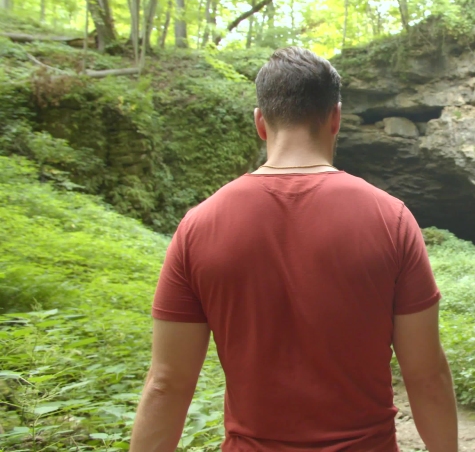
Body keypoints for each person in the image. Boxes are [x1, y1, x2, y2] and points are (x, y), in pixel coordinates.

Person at [130, 47, 458, 452]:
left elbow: (166, 385)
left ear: (260, 123)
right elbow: (426, 375)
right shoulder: (392, 219)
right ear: (335, 118)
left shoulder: (198, 226)